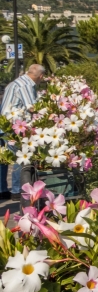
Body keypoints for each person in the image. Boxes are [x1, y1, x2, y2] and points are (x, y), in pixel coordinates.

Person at [0, 64, 44, 198]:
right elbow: (31, 107)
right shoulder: (26, 85)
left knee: (3, 158)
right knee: (21, 156)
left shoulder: (16, 82)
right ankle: (17, 190)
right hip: (13, 126)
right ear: (40, 76)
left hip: (3, 123)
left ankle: (2, 190)